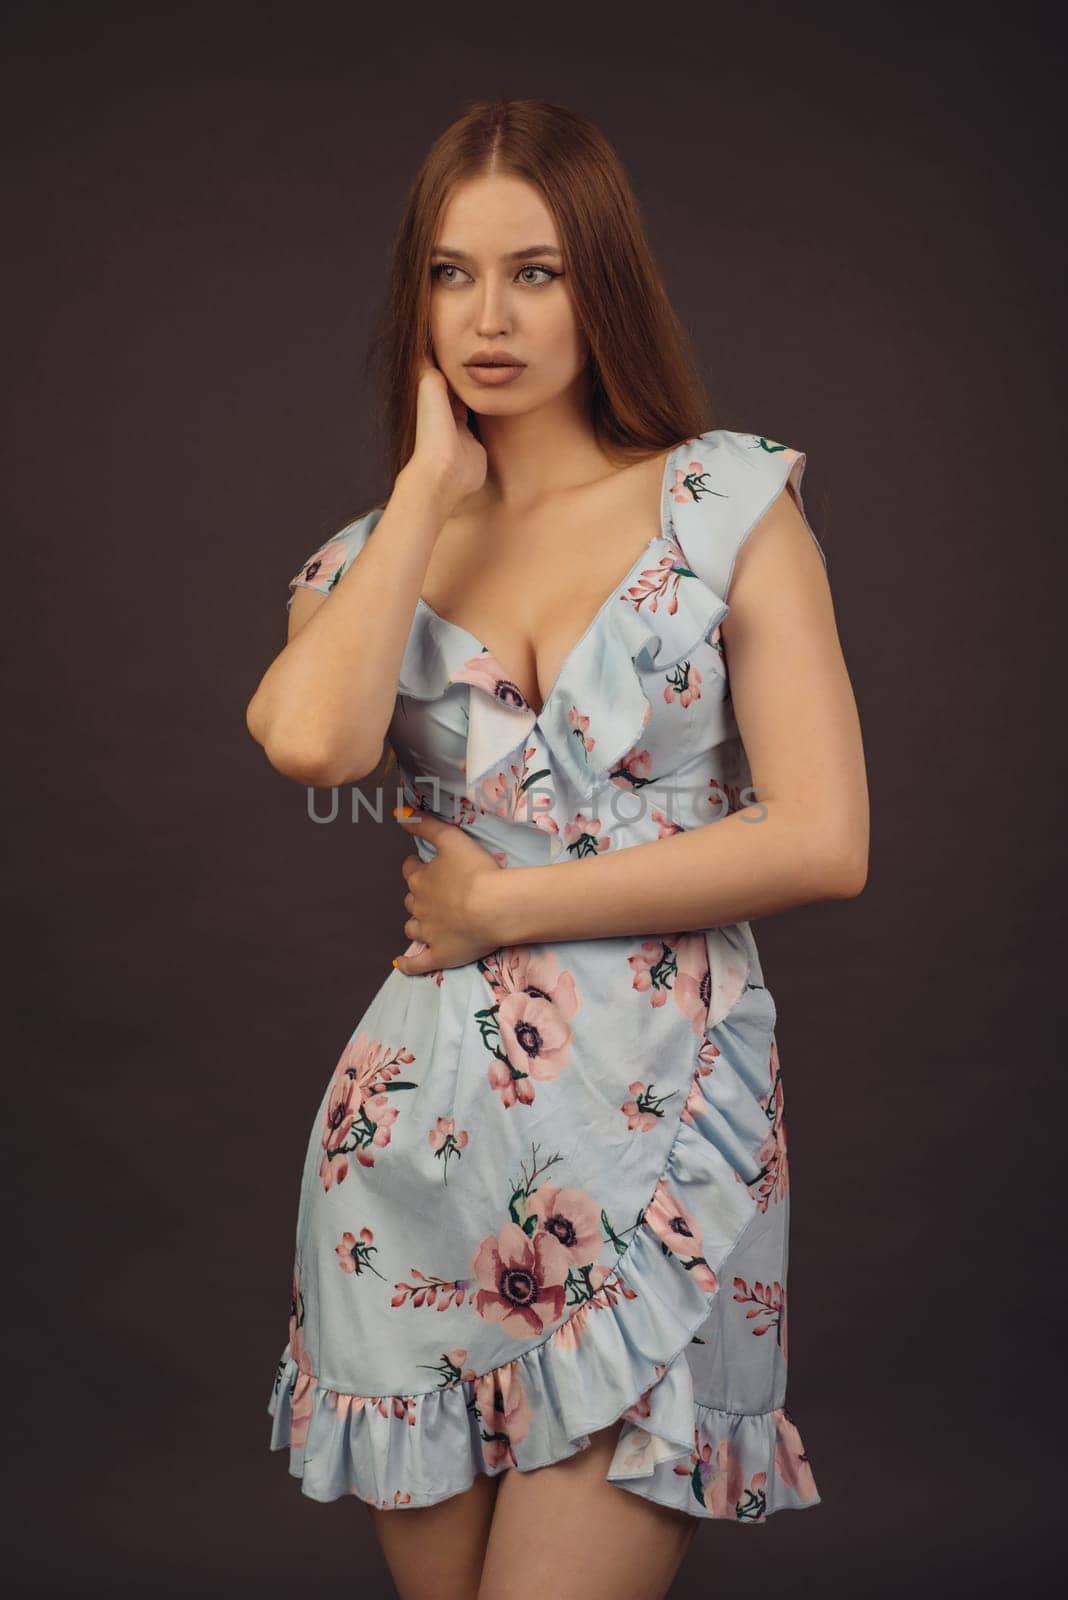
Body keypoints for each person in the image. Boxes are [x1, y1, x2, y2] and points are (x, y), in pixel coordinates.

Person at [246, 97, 868, 1600]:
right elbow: (312, 744)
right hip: (414, 1153)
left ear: (604, 280)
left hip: (661, 1123)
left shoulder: (725, 505)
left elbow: (825, 837)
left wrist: (508, 901)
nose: (491, 316)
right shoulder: (364, 562)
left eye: (535, 271)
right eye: (453, 275)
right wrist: (421, 494)